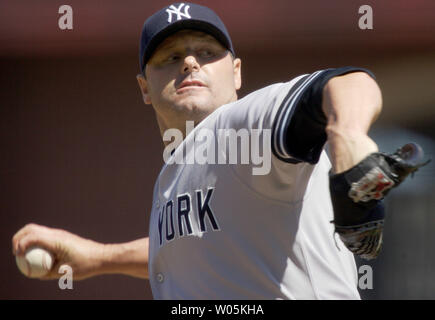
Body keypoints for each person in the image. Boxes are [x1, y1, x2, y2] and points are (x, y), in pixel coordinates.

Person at [12, 2, 412, 299]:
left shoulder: (243, 123)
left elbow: (348, 82)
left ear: (236, 72)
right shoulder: (174, 175)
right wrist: (99, 258)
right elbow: (201, 245)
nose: (189, 62)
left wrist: (348, 139)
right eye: (170, 57)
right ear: (144, 89)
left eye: (206, 52)